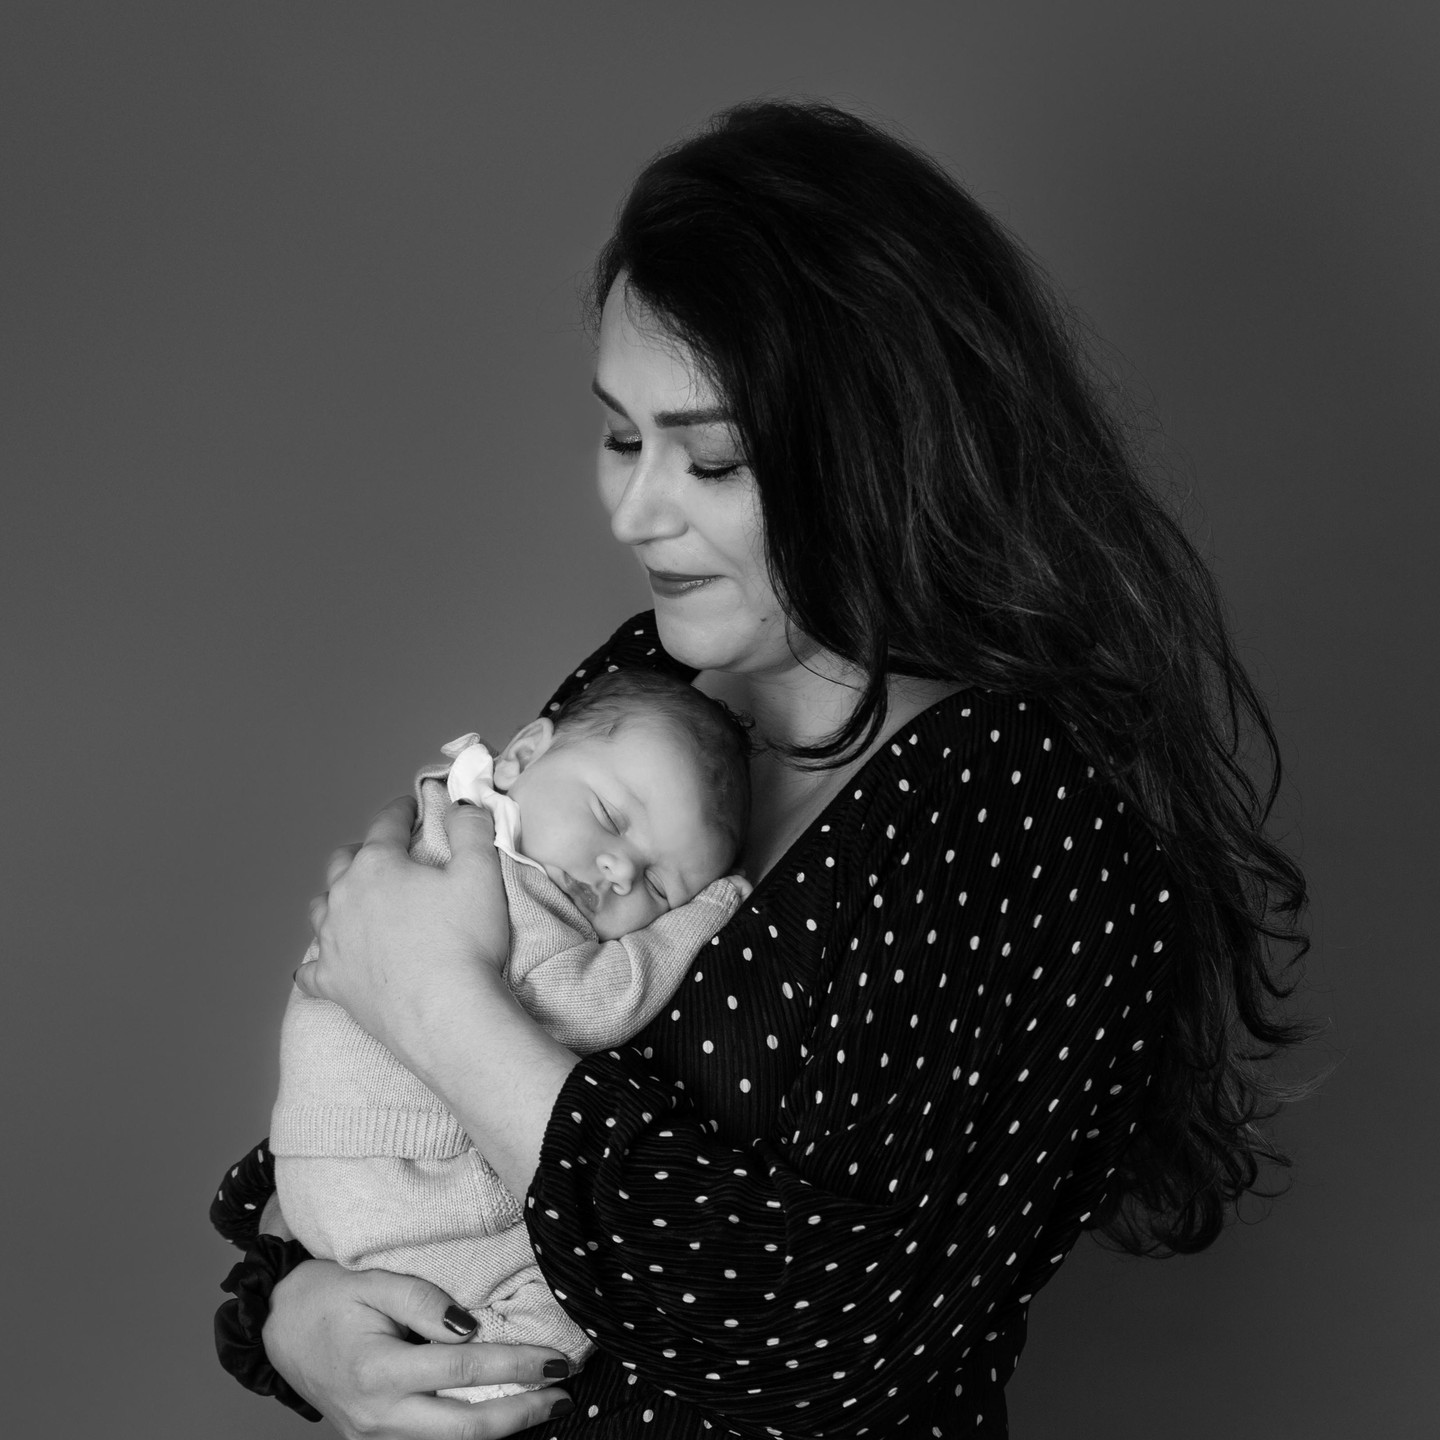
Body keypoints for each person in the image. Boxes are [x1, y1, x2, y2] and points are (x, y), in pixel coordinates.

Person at [211, 100, 1308, 1438]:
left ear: (879, 452)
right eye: (623, 436)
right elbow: (384, 1108)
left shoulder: (1034, 816)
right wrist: (294, 1310)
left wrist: (433, 997)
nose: (633, 509)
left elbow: (840, 1342)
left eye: (711, 456)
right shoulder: (658, 684)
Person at [268, 669, 753, 1405]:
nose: (619, 869)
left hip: (310, 1165)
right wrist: (699, 911)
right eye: (610, 818)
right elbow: (592, 1006)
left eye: (659, 889)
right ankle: (473, 1387)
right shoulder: (517, 887)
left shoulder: (444, 826)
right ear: (523, 756)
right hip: (404, 1183)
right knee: (566, 1302)